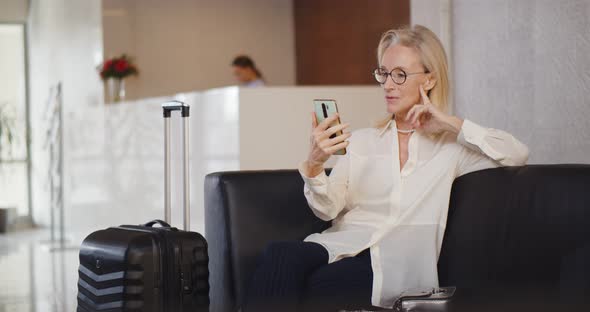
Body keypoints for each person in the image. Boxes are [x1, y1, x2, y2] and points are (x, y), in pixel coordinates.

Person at [242, 24, 529, 311]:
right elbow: (327, 210)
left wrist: (450, 123)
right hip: (342, 245)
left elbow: (516, 153)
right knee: (279, 254)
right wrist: (316, 165)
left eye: (400, 75)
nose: (388, 85)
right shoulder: (362, 141)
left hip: (395, 266)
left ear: (429, 80)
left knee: (312, 285)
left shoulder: (451, 148)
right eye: (384, 73)